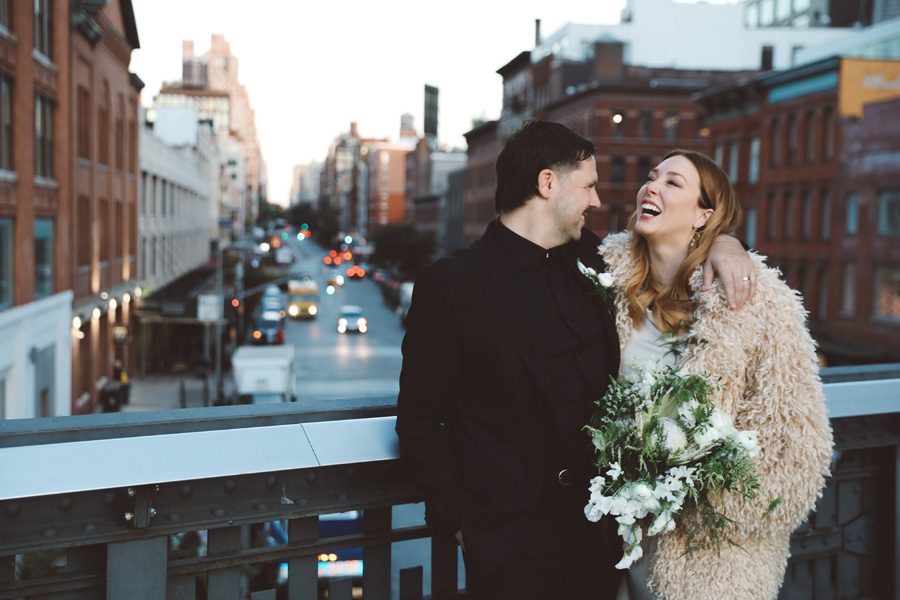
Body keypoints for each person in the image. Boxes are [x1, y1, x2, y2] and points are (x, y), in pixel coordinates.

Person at [395, 121, 755, 600]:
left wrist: (729, 244)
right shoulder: (452, 284)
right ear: (548, 184)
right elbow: (421, 419)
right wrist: (461, 525)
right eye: (588, 186)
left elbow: (681, 245)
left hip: (599, 544)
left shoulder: (599, 260)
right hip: (508, 554)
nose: (597, 201)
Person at [598, 149, 833, 599]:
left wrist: (697, 499)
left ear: (704, 214)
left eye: (673, 183)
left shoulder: (756, 300)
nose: (652, 186)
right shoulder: (609, 285)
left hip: (712, 559)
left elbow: (801, 444)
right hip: (620, 540)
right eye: (651, 177)